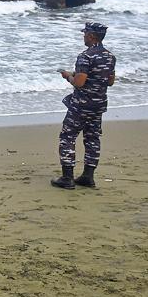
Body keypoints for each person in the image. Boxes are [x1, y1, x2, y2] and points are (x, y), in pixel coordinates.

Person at [51, 21, 117, 189]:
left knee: (67, 137)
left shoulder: (85, 56)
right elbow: (110, 81)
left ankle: (67, 178)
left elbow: (79, 83)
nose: (84, 36)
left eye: (85, 34)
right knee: (92, 138)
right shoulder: (110, 56)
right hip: (98, 104)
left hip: (81, 105)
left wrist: (67, 76)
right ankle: (88, 176)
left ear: (91, 36)